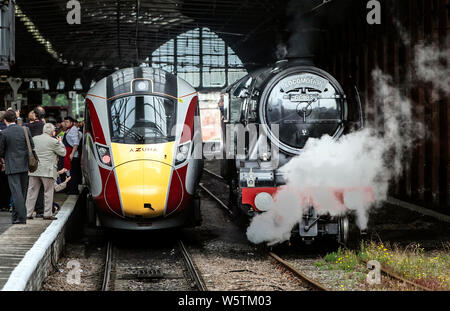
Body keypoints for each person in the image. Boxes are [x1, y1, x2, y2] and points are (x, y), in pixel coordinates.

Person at [25, 123, 66, 220]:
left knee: (31, 192)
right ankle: (47, 214)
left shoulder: (35, 139)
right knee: (48, 192)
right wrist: (60, 142)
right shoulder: (54, 141)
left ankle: (28, 213)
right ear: (52, 132)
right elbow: (63, 153)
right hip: (47, 171)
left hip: (34, 169)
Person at [0, 110, 34, 224]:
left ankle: (22, 217)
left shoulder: (4, 133)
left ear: (5, 120)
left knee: (16, 192)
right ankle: (15, 216)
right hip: (25, 164)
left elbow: (1, 151)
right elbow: (32, 146)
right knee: (22, 192)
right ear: (15, 119)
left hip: (12, 165)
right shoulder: (25, 129)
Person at [25, 106, 46, 217]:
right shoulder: (46, 127)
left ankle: (29, 210)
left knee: (32, 186)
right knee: (43, 186)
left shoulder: (28, 127)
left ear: (35, 115)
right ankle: (41, 210)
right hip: (44, 159)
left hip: (32, 159)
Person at [63, 116, 80, 194]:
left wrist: (72, 154)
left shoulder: (73, 130)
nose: (65, 123)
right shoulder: (68, 129)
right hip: (68, 154)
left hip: (72, 155)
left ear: (71, 123)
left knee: (73, 173)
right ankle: (71, 189)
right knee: (69, 172)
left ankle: (74, 190)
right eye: (65, 122)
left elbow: (76, 143)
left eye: (67, 122)